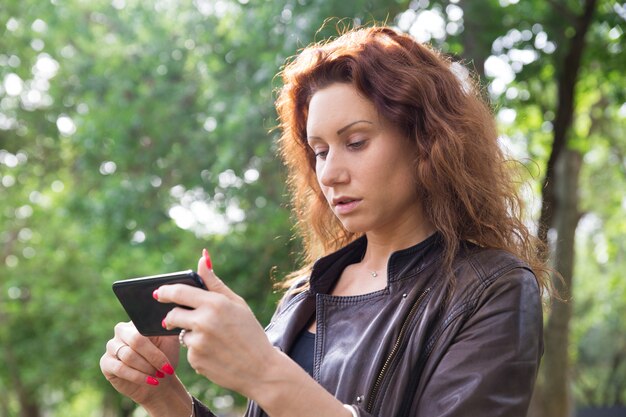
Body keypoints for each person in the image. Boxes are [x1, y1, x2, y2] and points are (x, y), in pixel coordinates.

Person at [100, 25, 550, 417]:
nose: (330, 173)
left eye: (355, 141)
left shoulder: (491, 291)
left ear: (427, 142)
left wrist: (263, 371)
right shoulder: (305, 296)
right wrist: (164, 400)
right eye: (319, 152)